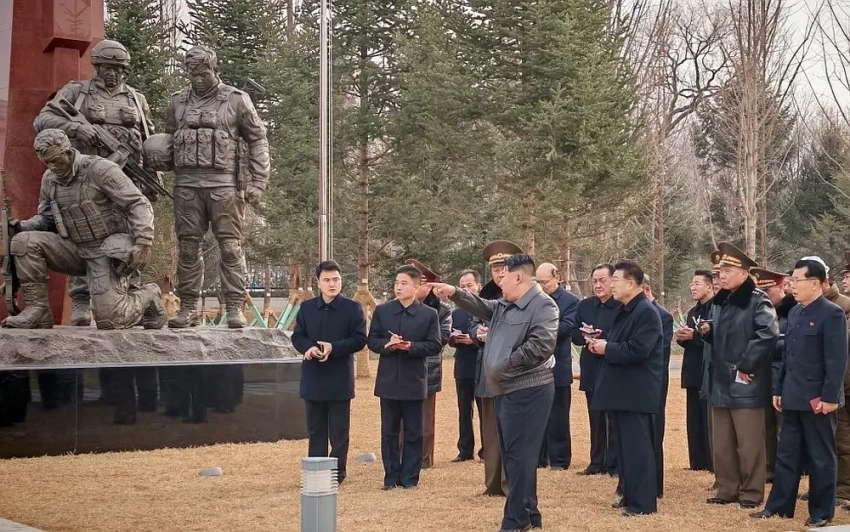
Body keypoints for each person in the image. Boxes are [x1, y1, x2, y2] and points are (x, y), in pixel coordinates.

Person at [33, 39, 157, 327]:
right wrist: (76, 128)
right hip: (84, 177)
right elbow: (42, 121)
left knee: (128, 232)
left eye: (118, 69)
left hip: (126, 177)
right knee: (81, 230)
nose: (112, 73)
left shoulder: (136, 99)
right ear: (96, 67)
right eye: (106, 67)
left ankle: (131, 292)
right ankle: (80, 298)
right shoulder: (77, 92)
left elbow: (148, 138)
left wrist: (152, 176)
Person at [431, 254, 558, 532]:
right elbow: (482, 305)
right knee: (515, 454)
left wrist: (503, 365)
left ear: (518, 277)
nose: (499, 283)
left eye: (503, 277)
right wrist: (454, 292)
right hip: (506, 388)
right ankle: (530, 512)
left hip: (529, 389)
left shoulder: (544, 306)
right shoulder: (505, 305)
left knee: (519, 456)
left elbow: (540, 346)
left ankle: (516, 520)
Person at [2, 129, 164, 333]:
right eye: (47, 162)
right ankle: (38, 310)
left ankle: (150, 294)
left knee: (110, 321)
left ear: (68, 152)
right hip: (74, 248)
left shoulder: (100, 169)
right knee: (23, 241)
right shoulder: (50, 179)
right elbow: (47, 218)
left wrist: (143, 241)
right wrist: (21, 227)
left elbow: (138, 204)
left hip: (105, 250)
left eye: (55, 160)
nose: (52, 166)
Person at [165, 45, 270, 329]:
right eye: (193, 74)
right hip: (187, 187)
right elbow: (168, 140)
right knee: (188, 248)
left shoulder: (237, 100)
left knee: (231, 248)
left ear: (215, 70)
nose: (198, 79)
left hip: (224, 187)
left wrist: (259, 181)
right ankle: (187, 307)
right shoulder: (177, 102)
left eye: (204, 73)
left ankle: (234, 307)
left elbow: (258, 140)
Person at [751, 259, 848, 528]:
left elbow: (836, 360)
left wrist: (830, 397)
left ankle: (821, 511)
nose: (792, 285)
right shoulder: (795, 312)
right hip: (792, 395)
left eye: (797, 280)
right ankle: (779, 506)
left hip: (818, 399)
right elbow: (787, 356)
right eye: (791, 280)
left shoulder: (832, 314)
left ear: (815, 283)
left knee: (821, 457)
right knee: (787, 454)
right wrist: (779, 389)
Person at [701, 242, 778, 509]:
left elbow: (768, 334)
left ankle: (751, 493)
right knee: (721, 443)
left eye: (727, 271)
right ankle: (726, 488)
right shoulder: (720, 301)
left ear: (744, 274)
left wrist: (747, 365)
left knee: (749, 443)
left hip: (746, 381)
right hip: (720, 381)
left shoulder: (757, 300)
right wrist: (708, 332)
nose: (721, 275)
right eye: (719, 271)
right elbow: (724, 336)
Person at [586, 261, 663, 516]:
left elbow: (639, 349)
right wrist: (601, 343)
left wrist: (606, 348)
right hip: (621, 391)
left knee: (638, 449)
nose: (611, 285)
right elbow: (620, 341)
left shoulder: (646, 312)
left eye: (615, 280)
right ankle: (629, 495)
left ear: (631, 283)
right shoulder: (626, 309)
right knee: (624, 450)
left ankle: (642, 504)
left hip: (636, 392)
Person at [292, 260, 367, 485]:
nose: (332, 284)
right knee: (315, 430)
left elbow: (359, 339)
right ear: (318, 283)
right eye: (327, 280)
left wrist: (334, 347)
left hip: (339, 378)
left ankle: (337, 473)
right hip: (313, 376)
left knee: (339, 431)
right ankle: (316, 471)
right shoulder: (307, 308)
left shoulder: (353, 309)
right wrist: (308, 348)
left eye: (336, 279)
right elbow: (298, 336)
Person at [368, 264, 442, 490]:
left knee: (413, 432)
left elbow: (435, 345)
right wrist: (388, 344)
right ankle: (391, 477)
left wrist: (411, 346)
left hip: (414, 379)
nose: (398, 287)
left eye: (404, 283)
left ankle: (410, 478)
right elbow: (372, 341)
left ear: (416, 287)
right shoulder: (383, 311)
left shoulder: (428, 314)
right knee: (389, 432)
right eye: (396, 283)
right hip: (388, 380)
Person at [473, 240, 523, 497]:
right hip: (488, 369)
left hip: (514, 372)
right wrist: (477, 333)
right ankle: (492, 483)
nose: (500, 273)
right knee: (490, 431)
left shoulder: (524, 296)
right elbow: (473, 323)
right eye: (495, 269)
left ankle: (511, 483)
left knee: (512, 430)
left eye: (504, 268)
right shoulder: (484, 296)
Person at [570, 264, 620, 476]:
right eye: (595, 281)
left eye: (602, 281)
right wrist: (586, 336)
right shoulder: (585, 306)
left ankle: (615, 463)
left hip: (612, 365)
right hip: (591, 365)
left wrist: (604, 337)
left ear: (612, 281)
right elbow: (573, 333)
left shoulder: (621, 306)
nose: (598, 285)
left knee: (614, 417)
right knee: (595, 415)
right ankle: (596, 461)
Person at [406, 259, 452, 470]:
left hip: (427, 368)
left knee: (424, 419)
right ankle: (402, 455)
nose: (416, 288)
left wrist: (412, 342)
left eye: (421, 283)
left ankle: (424, 459)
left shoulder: (442, 312)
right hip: (401, 366)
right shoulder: (398, 307)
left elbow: (441, 339)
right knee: (401, 418)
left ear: (430, 286)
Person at [750, 267, 793, 484]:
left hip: (782, 375)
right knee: (765, 425)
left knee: (782, 427)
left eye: (767, 291)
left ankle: (786, 470)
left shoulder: (792, 311)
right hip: (762, 375)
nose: (764, 296)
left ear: (780, 287)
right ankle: (769, 469)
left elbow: (788, 346)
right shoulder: (759, 311)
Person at [536, 262, 578, 470]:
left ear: (557, 278)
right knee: (537, 415)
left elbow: (567, 327)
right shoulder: (534, 299)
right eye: (538, 282)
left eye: (544, 282)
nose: (541, 286)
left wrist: (539, 330)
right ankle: (539, 457)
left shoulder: (570, 301)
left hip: (558, 364)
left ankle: (560, 459)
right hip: (535, 366)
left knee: (558, 415)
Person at [675, 270, 714, 472]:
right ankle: (696, 461)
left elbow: (715, 340)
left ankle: (711, 460)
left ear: (710, 286)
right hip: (692, 371)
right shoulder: (693, 312)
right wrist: (682, 337)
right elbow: (689, 341)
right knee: (694, 419)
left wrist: (695, 336)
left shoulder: (716, 310)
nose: (693, 287)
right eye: (692, 284)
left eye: (697, 283)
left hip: (708, 372)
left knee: (708, 419)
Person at [641, 276, 673, 498]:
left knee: (653, 430)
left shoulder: (663, 316)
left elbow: (659, 353)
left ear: (645, 289)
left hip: (654, 381)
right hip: (635, 383)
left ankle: (655, 484)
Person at [449, 269, 485, 463]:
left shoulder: (486, 309)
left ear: (478, 286)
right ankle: (464, 450)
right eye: (462, 286)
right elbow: (449, 336)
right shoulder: (456, 313)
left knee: (484, 410)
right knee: (464, 410)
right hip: (462, 364)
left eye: (469, 285)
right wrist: (454, 339)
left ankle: (486, 450)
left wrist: (475, 339)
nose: (466, 289)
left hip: (481, 364)